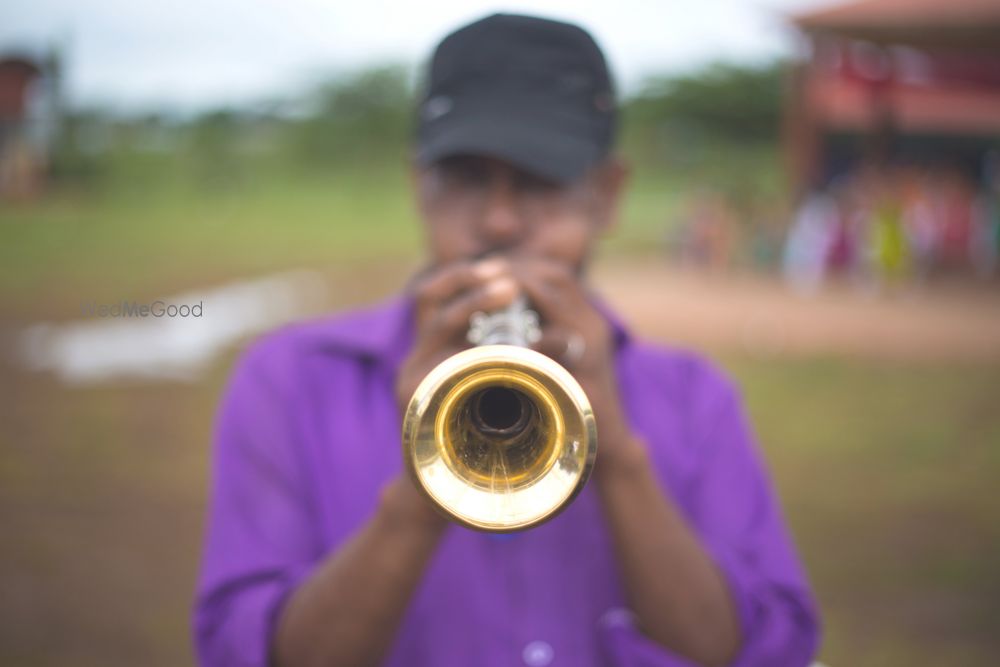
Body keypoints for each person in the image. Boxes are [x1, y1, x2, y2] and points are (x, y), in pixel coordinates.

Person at [193, 13, 820, 667]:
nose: (498, 221)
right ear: (419, 187)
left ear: (606, 196)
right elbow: (249, 653)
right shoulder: (291, 379)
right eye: (465, 177)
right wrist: (423, 485)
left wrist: (617, 452)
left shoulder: (696, 396)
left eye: (540, 180)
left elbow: (751, 651)